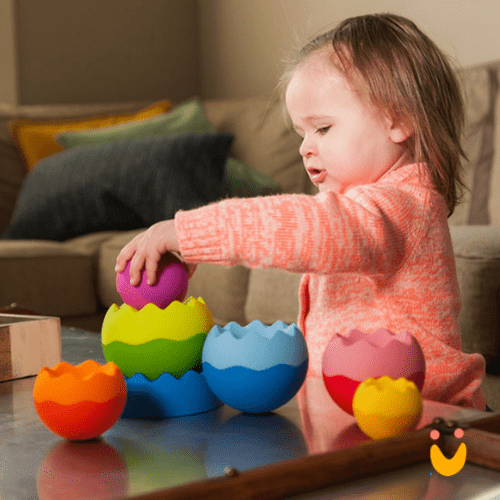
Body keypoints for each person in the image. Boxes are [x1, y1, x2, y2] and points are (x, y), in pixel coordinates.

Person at [115, 13, 486, 410]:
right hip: (367, 415)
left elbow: (308, 229)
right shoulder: (367, 207)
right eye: (301, 133)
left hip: (433, 417)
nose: (305, 148)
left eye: (322, 128)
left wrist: (190, 233)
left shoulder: (403, 206)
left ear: (398, 120)